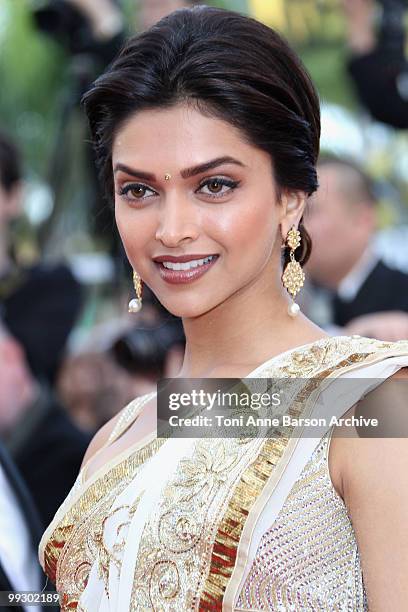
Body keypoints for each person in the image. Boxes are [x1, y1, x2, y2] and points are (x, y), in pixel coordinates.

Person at [38, 6, 408, 610]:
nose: (172, 228)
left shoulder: (374, 402)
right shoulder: (118, 434)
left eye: (214, 185)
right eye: (139, 191)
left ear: (291, 197)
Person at [304, 156, 408, 340]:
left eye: (311, 212)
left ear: (363, 220)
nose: (297, 226)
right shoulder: (299, 300)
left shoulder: (401, 300)